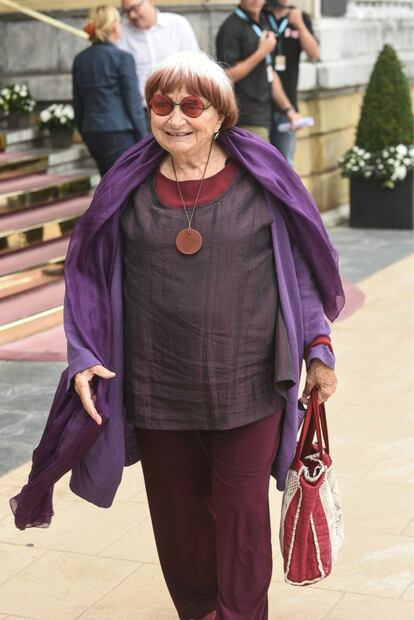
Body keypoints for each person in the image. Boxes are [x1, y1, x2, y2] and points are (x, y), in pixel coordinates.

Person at [10, 52, 344, 620]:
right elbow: (87, 275)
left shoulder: (263, 176)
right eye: (162, 105)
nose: (176, 119)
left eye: (192, 105)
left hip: (251, 382)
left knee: (240, 517)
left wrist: (317, 343)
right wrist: (85, 353)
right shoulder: (126, 183)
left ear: (220, 114)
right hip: (158, 385)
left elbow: (303, 270)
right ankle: (198, 610)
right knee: (180, 521)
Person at [72, 5, 148, 176]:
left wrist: (85, 132)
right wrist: (144, 140)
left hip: (92, 133)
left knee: (107, 182)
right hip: (120, 133)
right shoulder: (123, 58)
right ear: (114, 27)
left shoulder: (80, 59)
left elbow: (78, 103)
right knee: (124, 186)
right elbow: (132, 103)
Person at [216, 0, 300, 142]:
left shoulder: (263, 22)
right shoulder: (231, 27)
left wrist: (289, 110)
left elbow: (269, 71)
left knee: (281, 163)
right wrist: (261, 52)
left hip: (267, 114)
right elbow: (227, 76)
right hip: (246, 117)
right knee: (262, 164)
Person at [118, 0, 199, 108]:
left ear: (150, 2)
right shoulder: (122, 32)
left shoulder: (177, 24)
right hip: (140, 108)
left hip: (177, 104)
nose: (132, 15)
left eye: (135, 8)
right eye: (127, 11)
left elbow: (194, 63)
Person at [266, 0, 319, 162]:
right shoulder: (260, 15)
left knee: (284, 163)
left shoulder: (299, 17)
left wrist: (300, 25)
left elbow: (314, 54)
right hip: (259, 105)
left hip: (287, 106)